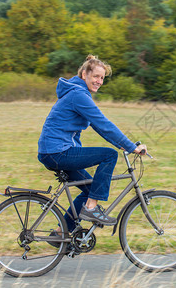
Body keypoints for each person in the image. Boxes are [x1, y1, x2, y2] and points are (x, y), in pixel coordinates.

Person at [38, 55, 147, 237]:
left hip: (53, 151)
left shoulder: (77, 92)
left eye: (102, 78)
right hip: (57, 151)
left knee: (90, 188)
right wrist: (130, 147)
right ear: (84, 74)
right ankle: (91, 208)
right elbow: (103, 123)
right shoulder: (78, 95)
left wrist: (122, 143)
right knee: (109, 156)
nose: (99, 81)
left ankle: (60, 234)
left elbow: (99, 127)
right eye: (96, 76)